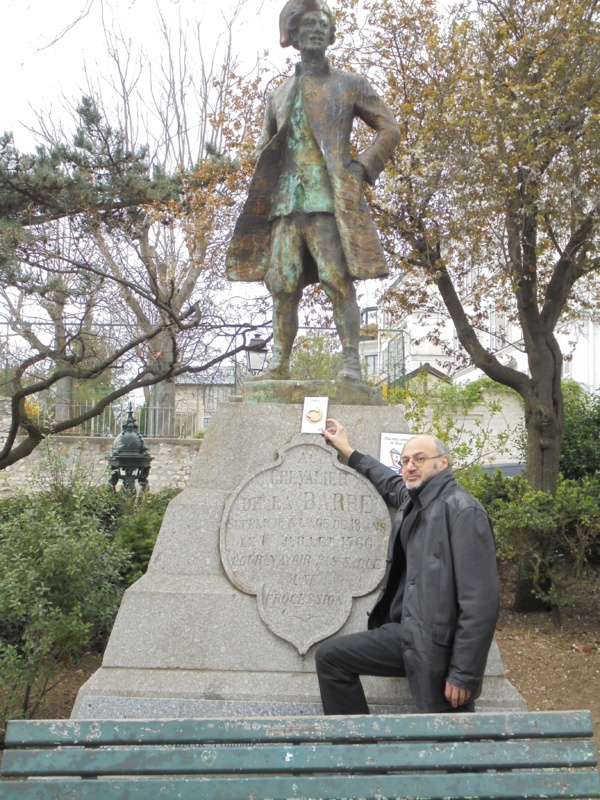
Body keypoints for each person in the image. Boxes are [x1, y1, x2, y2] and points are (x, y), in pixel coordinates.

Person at [226, 0, 400, 382]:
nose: (317, 30)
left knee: (336, 280)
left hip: (327, 201)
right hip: (286, 204)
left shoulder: (350, 84)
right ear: (294, 35)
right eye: (309, 25)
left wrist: (363, 167)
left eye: (323, 25)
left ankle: (351, 362)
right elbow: (264, 149)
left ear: (332, 34)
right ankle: (278, 363)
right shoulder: (278, 95)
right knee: (283, 285)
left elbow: (389, 128)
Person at [316, 418, 499, 713]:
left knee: (449, 734)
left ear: (442, 463)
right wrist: (347, 450)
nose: (410, 466)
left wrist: (463, 674)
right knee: (331, 658)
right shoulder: (414, 500)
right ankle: (357, 741)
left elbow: (480, 604)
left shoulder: (462, 510)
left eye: (419, 459)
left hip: (436, 645)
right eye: (405, 461)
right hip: (407, 634)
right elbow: (389, 483)